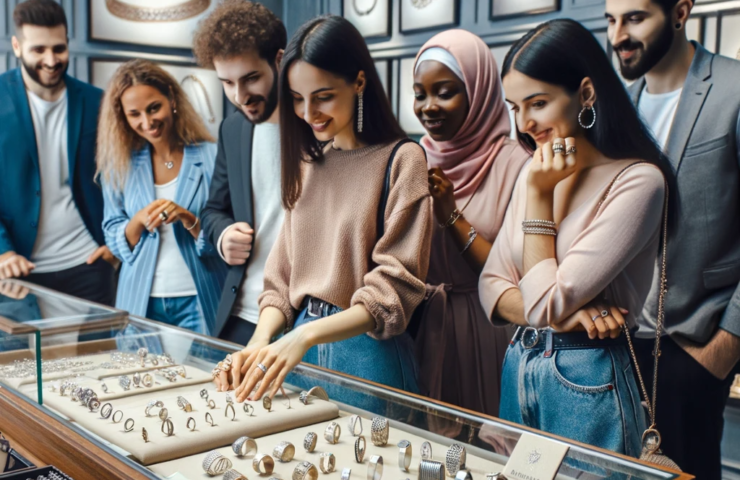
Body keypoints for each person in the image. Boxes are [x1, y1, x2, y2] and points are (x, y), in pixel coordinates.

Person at [212, 15, 432, 407]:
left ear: (359, 83)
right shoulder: (309, 164)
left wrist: (303, 336)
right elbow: (280, 279)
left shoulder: (403, 159)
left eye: (323, 96)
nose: (308, 112)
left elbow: (394, 289)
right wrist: (259, 342)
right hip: (297, 347)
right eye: (297, 98)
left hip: (367, 354)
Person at [479, 19, 671, 458]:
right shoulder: (533, 171)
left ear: (585, 93)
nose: (524, 123)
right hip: (518, 365)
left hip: (587, 378)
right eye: (514, 108)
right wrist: (563, 315)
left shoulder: (638, 182)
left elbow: (539, 302)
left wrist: (540, 196)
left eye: (538, 103)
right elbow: (491, 287)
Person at [606, 0, 740, 475]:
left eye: (635, 17)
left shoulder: (734, 88)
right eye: (611, 19)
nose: (618, 34)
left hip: (693, 347)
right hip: (617, 346)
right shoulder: (615, 107)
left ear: (680, 12)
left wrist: (723, 350)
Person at [411, 30, 529, 419]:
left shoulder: (517, 165)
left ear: (479, 93)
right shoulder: (411, 158)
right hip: (421, 328)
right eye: (420, 94)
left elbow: (517, 278)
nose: (429, 107)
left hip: (486, 333)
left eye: (444, 92)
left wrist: (452, 216)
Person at [98, 60, 227, 335]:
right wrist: (137, 221)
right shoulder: (120, 166)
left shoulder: (211, 156)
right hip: (141, 299)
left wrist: (186, 217)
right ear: (123, 117)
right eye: (135, 114)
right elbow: (112, 232)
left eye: (154, 108)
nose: (147, 122)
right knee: (142, 378)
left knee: (208, 375)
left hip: (200, 297)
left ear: (171, 97)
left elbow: (226, 231)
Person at [0, 0, 116, 304]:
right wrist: (2, 251)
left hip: (88, 263)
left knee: (95, 353)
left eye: (59, 48)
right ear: (16, 46)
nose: (51, 60)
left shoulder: (97, 102)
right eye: (38, 50)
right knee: (24, 355)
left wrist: (116, 241)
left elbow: (123, 173)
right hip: (17, 269)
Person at [195, 0, 287, 343]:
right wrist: (222, 236)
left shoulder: (317, 124)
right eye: (227, 83)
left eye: (251, 79)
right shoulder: (232, 129)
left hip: (305, 320)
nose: (240, 96)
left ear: (279, 60)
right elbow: (212, 210)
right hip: (243, 310)